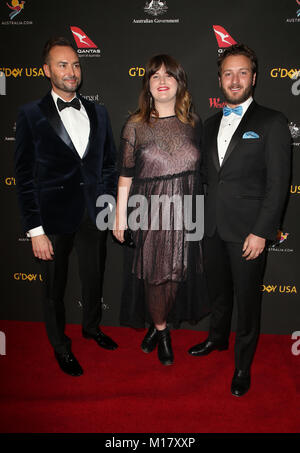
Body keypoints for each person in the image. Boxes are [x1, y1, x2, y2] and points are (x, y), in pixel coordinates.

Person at [188, 44, 291, 396]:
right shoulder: (210, 123)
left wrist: (262, 231)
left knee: (247, 302)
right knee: (218, 295)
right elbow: (205, 177)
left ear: (254, 77)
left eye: (242, 72)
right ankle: (217, 340)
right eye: (228, 73)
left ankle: (243, 364)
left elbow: (279, 185)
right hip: (212, 229)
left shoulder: (272, 122)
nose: (235, 80)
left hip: (249, 233)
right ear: (219, 78)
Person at [14, 37, 118, 377]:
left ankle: (91, 327)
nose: (71, 71)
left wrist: (109, 208)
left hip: (93, 213)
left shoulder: (99, 112)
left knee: (94, 278)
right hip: (53, 218)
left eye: (75, 64)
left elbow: (108, 166)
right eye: (62, 65)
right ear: (46, 70)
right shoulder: (30, 114)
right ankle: (61, 345)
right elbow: (24, 175)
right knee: (53, 289)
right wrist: (35, 230)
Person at [113, 54, 209, 366]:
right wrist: (119, 217)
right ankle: (162, 331)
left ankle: (158, 326)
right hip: (150, 212)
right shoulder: (135, 126)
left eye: (169, 75)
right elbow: (125, 176)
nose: (163, 81)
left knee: (175, 276)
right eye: (156, 76)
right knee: (154, 277)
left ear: (180, 83)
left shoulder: (194, 124)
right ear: (148, 86)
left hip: (185, 210)